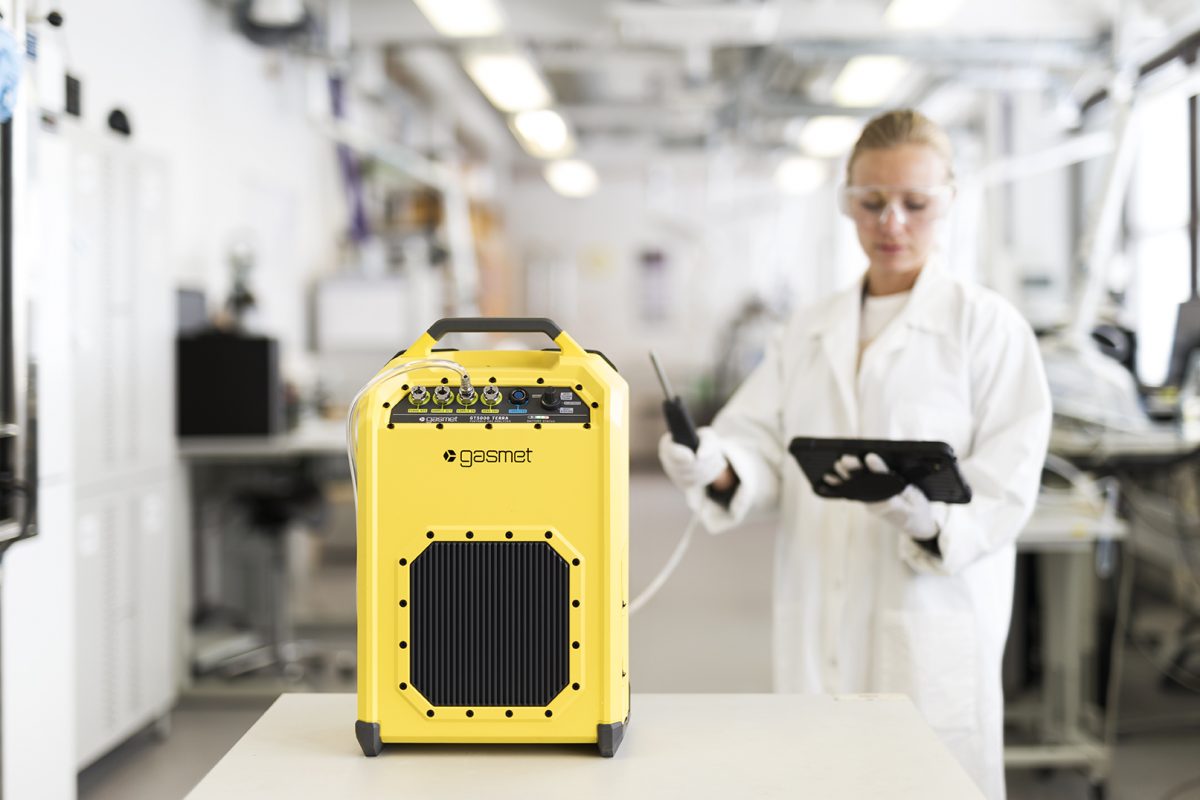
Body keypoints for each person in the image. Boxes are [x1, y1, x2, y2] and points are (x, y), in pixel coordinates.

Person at [659, 109, 1051, 800]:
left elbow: (1009, 481)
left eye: (914, 204)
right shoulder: (810, 328)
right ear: (848, 203)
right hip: (819, 603)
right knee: (819, 774)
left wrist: (930, 520)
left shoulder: (986, 328)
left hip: (929, 612)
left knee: (927, 779)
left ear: (948, 202)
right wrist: (715, 463)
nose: (891, 222)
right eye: (871, 203)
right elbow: (758, 440)